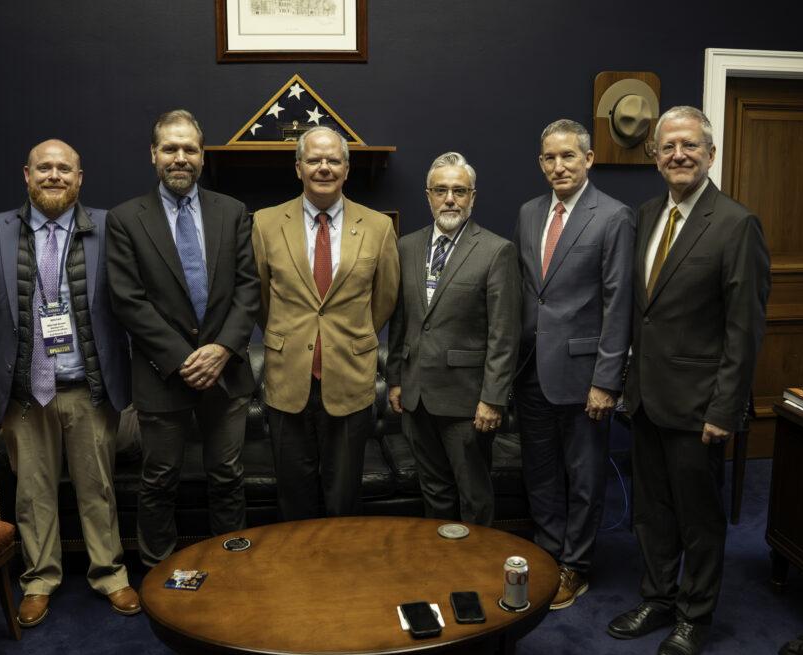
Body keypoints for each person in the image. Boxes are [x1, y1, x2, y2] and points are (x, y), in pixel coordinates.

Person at [608, 106, 770, 655]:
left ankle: (693, 618)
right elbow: (644, 314)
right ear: (654, 157)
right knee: (652, 512)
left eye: (690, 146)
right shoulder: (649, 213)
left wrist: (724, 410)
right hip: (646, 399)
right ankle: (658, 597)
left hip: (701, 406)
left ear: (710, 154)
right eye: (668, 147)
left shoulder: (735, 224)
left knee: (699, 521)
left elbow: (743, 331)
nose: (678, 155)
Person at [0, 138, 138, 628]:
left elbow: (129, 299)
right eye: (44, 168)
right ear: (26, 175)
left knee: (97, 487)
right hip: (24, 394)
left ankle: (111, 575)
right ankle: (38, 580)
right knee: (32, 494)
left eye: (64, 168)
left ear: (80, 178)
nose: (53, 175)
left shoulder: (111, 227)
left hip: (88, 387)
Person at [106, 110, 259, 565]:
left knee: (228, 475)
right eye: (170, 148)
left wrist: (222, 349)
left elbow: (249, 287)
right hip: (161, 375)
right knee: (160, 479)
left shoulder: (231, 212)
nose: (180, 158)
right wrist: (184, 358)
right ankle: (157, 572)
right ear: (153, 155)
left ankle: (231, 566)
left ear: (202, 155)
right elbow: (128, 300)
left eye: (189, 149)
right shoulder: (125, 218)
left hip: (226, 373)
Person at [512, 119, 634, 610]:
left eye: (568, 156)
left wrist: (607, 381)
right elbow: (529, 293)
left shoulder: (613, 216)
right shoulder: (528, 213)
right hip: (531, 372)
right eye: (549, 158)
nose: (558, 166)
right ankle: (547, 554)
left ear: (588, 159)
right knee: (540, 473)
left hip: (585, 379)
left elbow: (618, 302)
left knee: (583, 478)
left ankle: (575, 567)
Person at [252, 126, 399, 520]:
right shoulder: (265, 224)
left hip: (350, 376)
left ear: (346, 170)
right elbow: (261, 299)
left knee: (344, 495)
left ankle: (343, 575)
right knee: (293, 495)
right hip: (288, 377)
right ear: (298, 167)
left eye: (333, 160)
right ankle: (297, 576)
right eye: (314, 160)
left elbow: (384, 299)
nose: (324, 167)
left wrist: (347, 335)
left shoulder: (378, 227)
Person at [386, 152, 520, 526]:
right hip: (416, 397)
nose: (450, 199)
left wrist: (493, 399)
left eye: (459, 191)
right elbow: (402, 320)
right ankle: (442, 566)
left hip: (467, 401)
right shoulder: (406, 247)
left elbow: (503, 334)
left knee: (473, 495)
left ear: (472, 197)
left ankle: (476, 575)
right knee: (434, 491)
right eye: (441, 190)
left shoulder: (496, 251)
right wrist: (395, 378)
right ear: (427, 195)